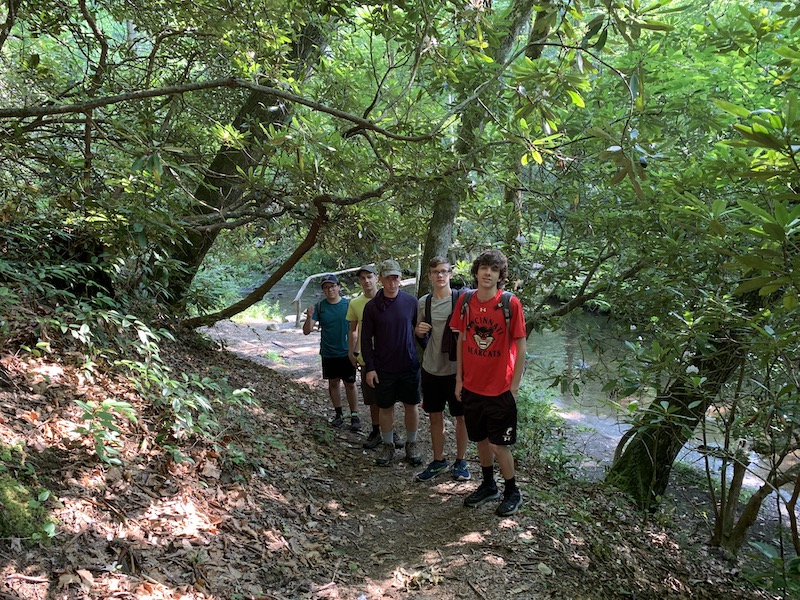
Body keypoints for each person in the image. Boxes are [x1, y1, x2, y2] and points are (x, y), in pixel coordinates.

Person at [449, 249, 527, 517]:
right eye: (484, 267)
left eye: (494, 269)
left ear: (500, 275)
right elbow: (461, 340)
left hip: (500, 388)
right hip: (472, 386)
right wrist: (459, 379)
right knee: (480, 439)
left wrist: (514, 387)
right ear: (476, 271)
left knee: (497, 444)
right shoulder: (466, 301)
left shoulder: (509, 303)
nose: (488, 273)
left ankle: (512, 492)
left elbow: (521, 346)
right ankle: (488, 485)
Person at [414, 257, 470, 482]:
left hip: (457, 371)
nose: (440, 275)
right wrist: (418, 331)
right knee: (434, 416)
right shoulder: (424, 302)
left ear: (450, 274)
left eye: (444, 271)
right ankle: (438, 461)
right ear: (429, 275)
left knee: (461, 417)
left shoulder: (461, 300)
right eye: (435, 272)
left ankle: (461, 461)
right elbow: (419, 332)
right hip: (431, 369)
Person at [361, 259, 422, 467]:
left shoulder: (411, 302)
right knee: (385, 407)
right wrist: (370, 368)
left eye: (395, 278)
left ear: (400, 279)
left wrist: (428, 350)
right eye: (388, 278)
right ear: (381, 279)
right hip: (383, 367)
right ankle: (388, 445)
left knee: (411, 406)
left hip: (409, 364)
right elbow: (365, 339)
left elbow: (419, 332)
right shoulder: (372, 307)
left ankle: (411, 443)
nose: (392, 282)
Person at [303, 274, 360, 430]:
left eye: (332, 286)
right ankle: (338, 414)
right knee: (333, 383)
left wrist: (356, 349)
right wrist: (309, 316)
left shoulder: (349, 305)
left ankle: (355, 415)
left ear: (338, 287)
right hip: (328, 352)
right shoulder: (320, 307)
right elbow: (307, 331)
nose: (330, 290)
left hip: (347, 352)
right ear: (323, 290)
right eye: (326, 287)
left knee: (350, 384)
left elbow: (357, 328)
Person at [346, 265, 382, 448]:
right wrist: (351, 351)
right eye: (362, 278)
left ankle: (390, 431)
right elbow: (353, 330)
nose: (366, 281)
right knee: (372, 398)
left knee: (389, 398)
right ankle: (376, 430)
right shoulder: (355, 303)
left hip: (388, 356)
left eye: (369, 277)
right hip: (367, 356)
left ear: (377, 278)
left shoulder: (388, 298)